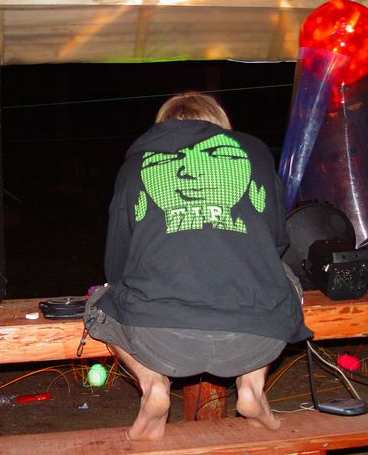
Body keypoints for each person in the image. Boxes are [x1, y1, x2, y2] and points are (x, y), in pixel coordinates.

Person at [84, 92, 312, 441]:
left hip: (158, 339)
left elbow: (117, 258)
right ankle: (252, 386)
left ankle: (153, 384)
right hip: (254, 338)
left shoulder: (137, 165)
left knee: (99, 301)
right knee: (283, 275)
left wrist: (119, 288)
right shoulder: (253, 154)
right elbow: (277, 239)